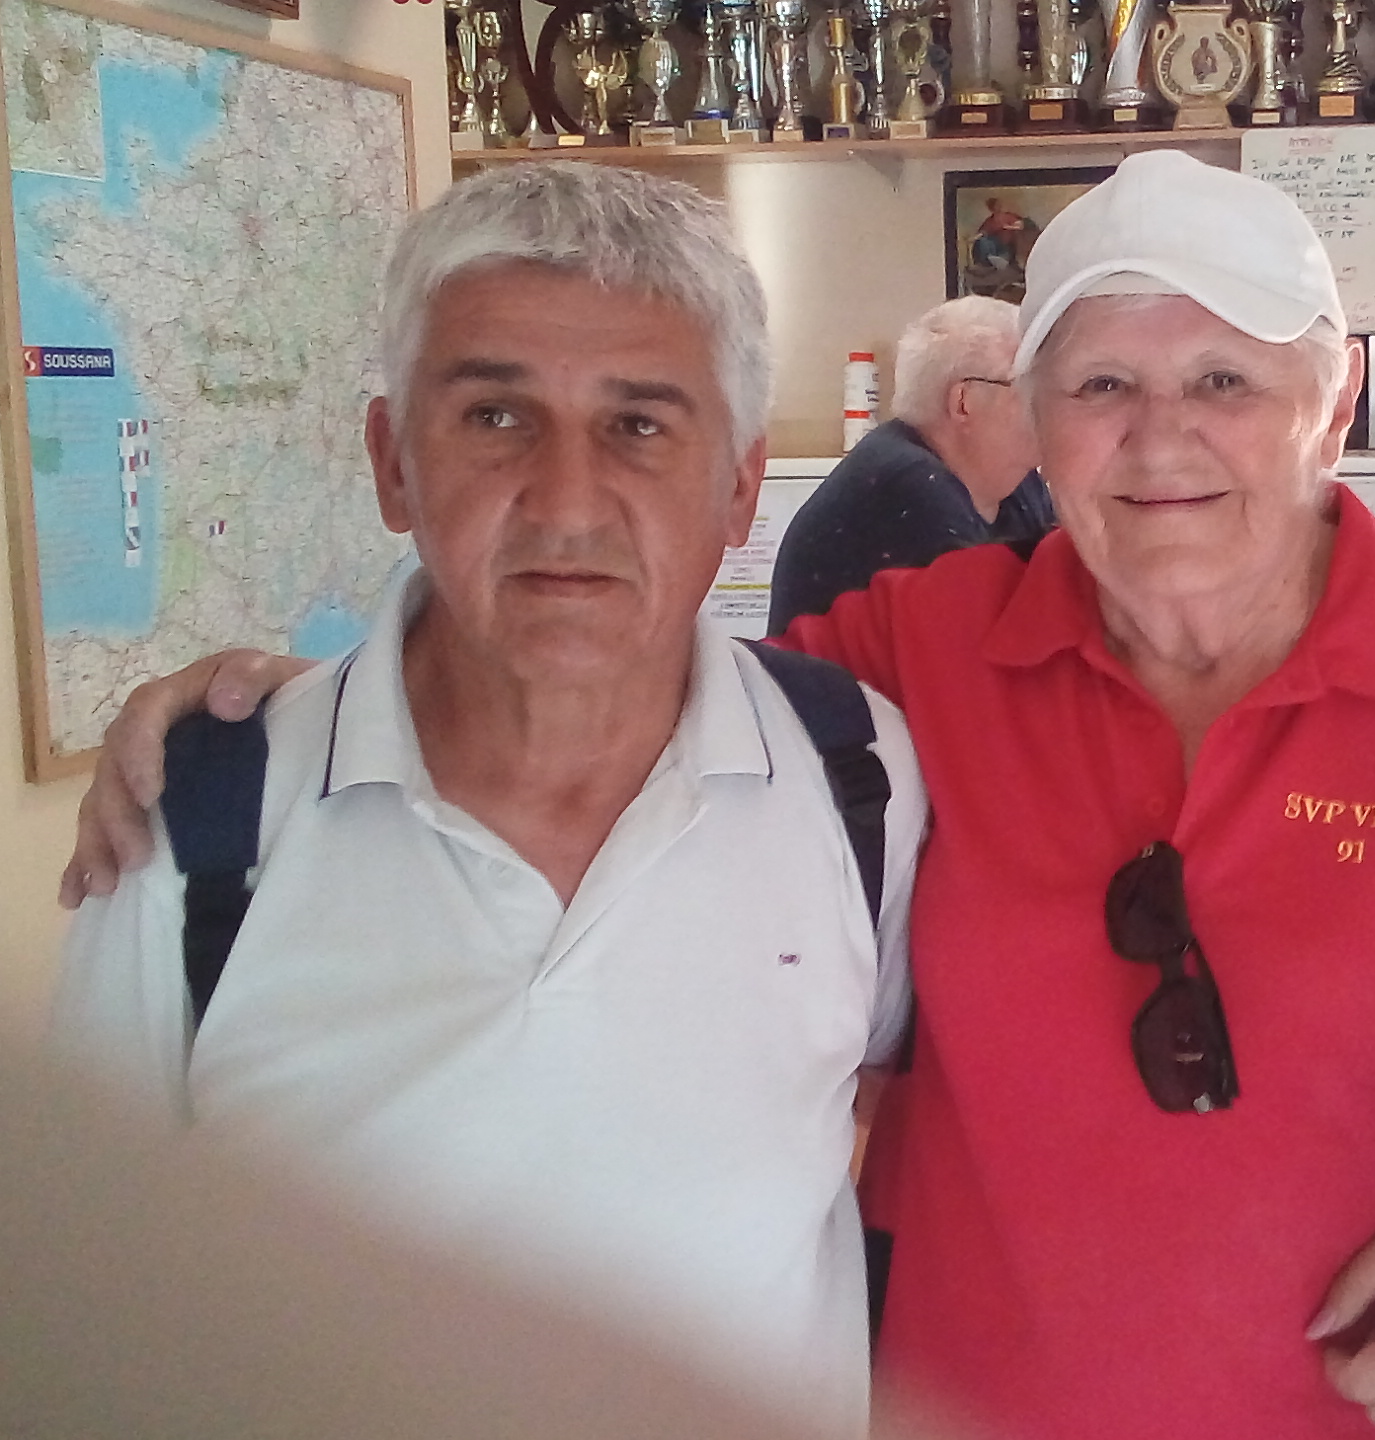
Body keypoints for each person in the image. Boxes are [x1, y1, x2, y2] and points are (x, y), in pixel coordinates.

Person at [61, 150, 1375, 1439]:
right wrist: (276, 704)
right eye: (1101, 385)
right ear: (1028, 417)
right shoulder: (912, 668)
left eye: (1225, 378)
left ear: (1332, 396)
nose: (1163, 438)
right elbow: (597, 639)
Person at [48, 163, 928, 1437]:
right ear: (393, 462)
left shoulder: (859, 777)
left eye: (639, 425)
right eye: (496, 417)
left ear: (738, 491)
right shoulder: (200, 825)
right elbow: (81, 1278)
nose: (568, 503)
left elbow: (909, 1098)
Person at [767, 295, 1055, 635]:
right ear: (964, 402)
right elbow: (1003, 642)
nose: (1050, 399)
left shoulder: (1018, 484)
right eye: (1026, 383)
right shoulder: (907, 487)